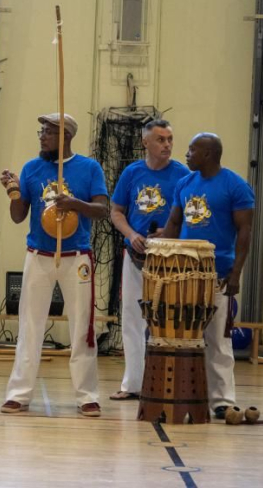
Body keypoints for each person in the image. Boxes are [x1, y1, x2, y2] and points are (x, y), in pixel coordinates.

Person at [0, 113, 108, 417]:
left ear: (66, 136)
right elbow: (18, 216)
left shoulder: (89, 168)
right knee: (29, 326)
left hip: (77, 257)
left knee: (82, 327)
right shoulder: (32, 168)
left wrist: (74, 204)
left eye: (48, 132)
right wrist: (13, 190)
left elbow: (102, 209)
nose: (42, 136)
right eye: (41, 131)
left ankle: (86, 395)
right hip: (39, 255)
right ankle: (19, 394)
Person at [162, 132, 254, 419]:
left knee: (217, 339)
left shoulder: (235, 186)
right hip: (184, 273)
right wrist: (160, 256)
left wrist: (236, 273)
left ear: (209, 154)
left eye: (192, 150)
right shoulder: (184, 183)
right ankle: (182, 396)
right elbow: (174, 224)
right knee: (182, 338)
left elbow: (245, 233)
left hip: (218, 273)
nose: (186, 155)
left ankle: (222, 400)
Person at [109, 119, 190, 401]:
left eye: (169, 139)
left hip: (168, 259)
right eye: (160, 139)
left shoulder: (182, 175)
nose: (167, 144)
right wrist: (131, 235)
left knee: (167, 321)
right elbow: (116, 211)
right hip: (134, 255)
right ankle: (132, 384)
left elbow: (188, 215)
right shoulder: (132, 173)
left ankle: (167, 383)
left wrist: (167, 232)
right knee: (132, 319)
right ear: (145, 142)